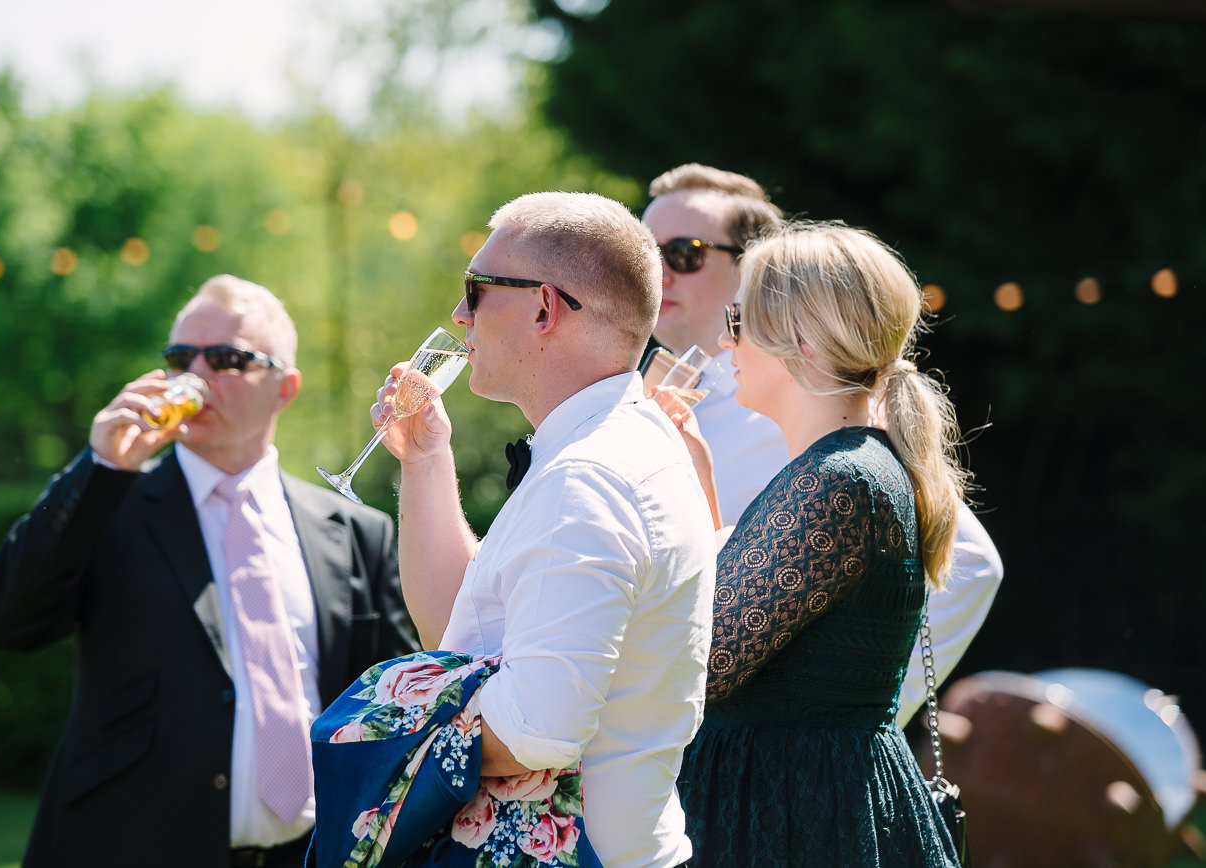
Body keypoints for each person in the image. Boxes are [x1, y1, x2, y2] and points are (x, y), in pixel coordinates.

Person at [0, 274, 417, 868]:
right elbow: (4, 621)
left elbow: (397, 704)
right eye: (181, 357)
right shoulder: (109, 504)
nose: (195, 376)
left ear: (285, 387)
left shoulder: (352, 530)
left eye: (226, 358)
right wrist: (100, 467)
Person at [374, 192, 716, 867]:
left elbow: (539, 727)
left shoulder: (587, 478)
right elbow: (458, 634)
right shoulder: (612, 448)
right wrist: (425, 459)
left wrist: (383, 731)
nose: (458, 314)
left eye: (475, 291)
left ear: (543, 307)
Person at [642, 163, 1002, 726]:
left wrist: (851, 723)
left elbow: (971, 565)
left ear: (754, 273)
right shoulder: (673, 401)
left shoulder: (820, 419)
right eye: (645, 253)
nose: (657, 273)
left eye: (683, 254)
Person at [676, 220, 966, 865]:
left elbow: (697, 661)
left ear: (800, 342)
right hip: (810, 805)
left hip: (801, 819)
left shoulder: (837, 480)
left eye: (737, 319)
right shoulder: (848, 467)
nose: (728, 345)